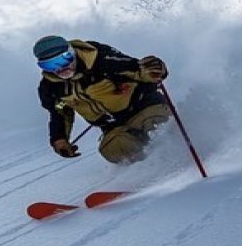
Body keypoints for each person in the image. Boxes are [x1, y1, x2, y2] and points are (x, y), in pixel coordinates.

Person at [34, 35, 171, 164]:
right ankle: (148, 169)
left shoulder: (103, 61)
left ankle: (174, 156)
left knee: (156, 128)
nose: (60, 68)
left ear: (72, 52)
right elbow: (60, 111)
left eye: (64, 59)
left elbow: (140, 71)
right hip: (113, 126)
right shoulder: (51, 88)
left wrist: (155, 70)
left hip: (144, 108)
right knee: (115, 149)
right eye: (50, 65)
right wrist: (60, 139)